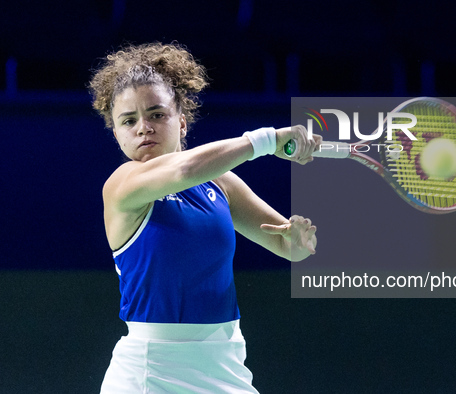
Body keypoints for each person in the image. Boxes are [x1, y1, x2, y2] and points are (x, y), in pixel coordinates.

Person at [88, 42, 319, 393]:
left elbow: (286, 246)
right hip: (152, 370)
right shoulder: (122, 185)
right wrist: (266, 140)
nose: (143, 128)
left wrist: (298, 241)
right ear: (117, 133)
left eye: (156, 114)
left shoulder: (221, 183)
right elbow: (185, 168)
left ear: (181, 123)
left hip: (224, 363)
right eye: (128, 121)